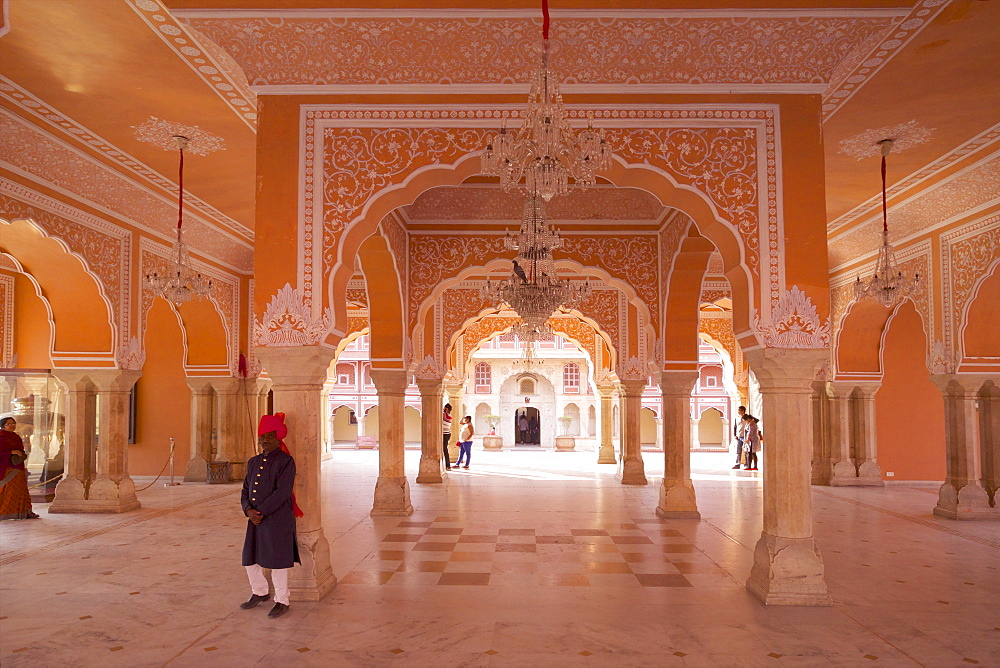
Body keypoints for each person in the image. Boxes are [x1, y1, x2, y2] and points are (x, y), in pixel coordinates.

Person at [241, 413, 301, 619]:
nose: (264, 441)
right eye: (262, 437)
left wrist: (261, 512)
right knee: (250, 558)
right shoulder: (253, 462)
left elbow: (283, 492)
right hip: (255, 519)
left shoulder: (286, 461)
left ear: (278, 438)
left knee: (278, 561)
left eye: (269, 436)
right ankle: (259, 592)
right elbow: (245, 489)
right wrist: (248, 510)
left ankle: (282, 600)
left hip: (277, 519)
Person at [0, 417, 40, 520]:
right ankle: (4, 513)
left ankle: (22, 512)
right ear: (3, 425)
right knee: (6, 491)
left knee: (20, 490)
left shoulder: (16, 437)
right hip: (6, 468)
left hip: (18, 467)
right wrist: (10, 452)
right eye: (9, 424)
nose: (12, 425)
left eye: (13, 423)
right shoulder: (1, 437)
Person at [731, 405, 747, 470]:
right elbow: (735, 427)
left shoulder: (747, 417)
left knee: (746, 451)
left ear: (743, 411)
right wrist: (735, 435)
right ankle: (737, 464)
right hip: (739, 436)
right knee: (738, 451)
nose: (738, 412)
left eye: (739, 410)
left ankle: (747, 464)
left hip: (745, 437)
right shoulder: (737, 418)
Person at [442, 403, 453, 471]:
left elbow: (441, 421)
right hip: (447, 433)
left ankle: (447, 465)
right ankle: (447, 465)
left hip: (444, 434)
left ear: (447, 408)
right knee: (445, 449)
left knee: (444, 450)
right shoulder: (449, 415)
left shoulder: (444, 414)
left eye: (444, 407)